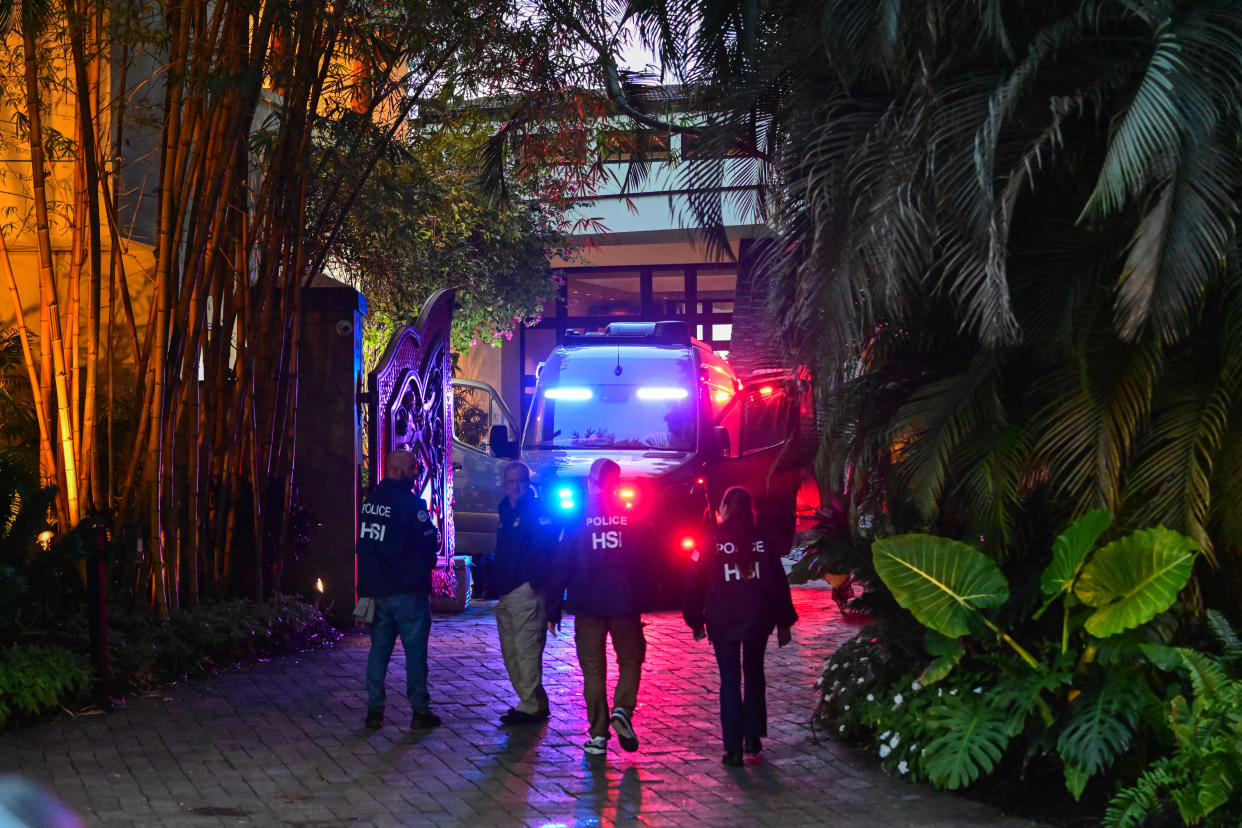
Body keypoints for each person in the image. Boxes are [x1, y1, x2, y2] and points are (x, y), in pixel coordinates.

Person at [683, 486, 797, 767]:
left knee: (730, 681)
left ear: (724, 509)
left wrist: (695, 620)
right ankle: (753, 736)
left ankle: (732, 747)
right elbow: (778, 582)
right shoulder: (763, 540)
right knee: (754, 673)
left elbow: (693, 581)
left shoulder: (710, 540)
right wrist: (784, 621)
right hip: (758, 617)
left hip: (723, 618)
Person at [546, 458, 653, 756]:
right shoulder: (631, 518)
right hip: (625, 603)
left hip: (587, 604)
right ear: (617, 484)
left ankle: (597, 735)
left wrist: (552, 608)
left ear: (591, 483)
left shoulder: (577, 519)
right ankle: (622, 708)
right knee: (630, 659)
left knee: (593, 669)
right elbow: (647, 561)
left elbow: (561, 565)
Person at [357, 449, 442, 730]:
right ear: (398, 470)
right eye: (413, 467)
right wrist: (423, 568)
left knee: (378, 652)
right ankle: (419, 712)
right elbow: (429, 544)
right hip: (408, 592)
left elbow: (365, 548)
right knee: (415, 654)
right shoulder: (411, 505)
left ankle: (373, 711)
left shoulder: (370, 503)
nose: (417, 472)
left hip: (378, 592)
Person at [491, 460, 556, 726]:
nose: (515, 486)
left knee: (526, 651)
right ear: (504, 485)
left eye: (520, 481)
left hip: (526, 591)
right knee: (512, 653)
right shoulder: (505, 508)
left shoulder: (538, 510)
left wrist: (533, 583)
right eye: (510, 482)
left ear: (528, 483)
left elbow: (547, 551)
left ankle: (530, 706)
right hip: (506, 591)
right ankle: (532, 702)